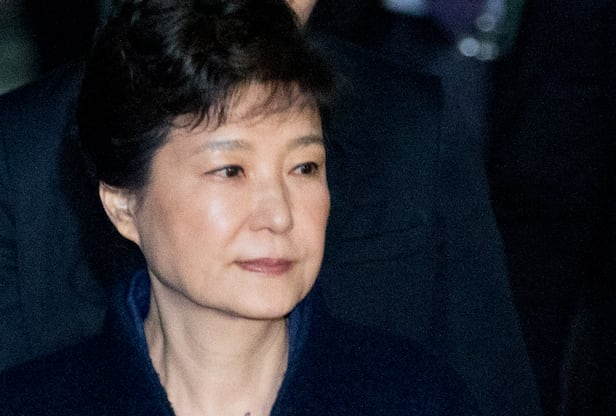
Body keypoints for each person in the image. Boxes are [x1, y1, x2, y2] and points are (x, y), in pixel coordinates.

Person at [0, 1, 539, 414]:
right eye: (230, 171)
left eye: (304, 168)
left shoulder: (419, 398)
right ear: (121, 203)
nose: (278, 215)